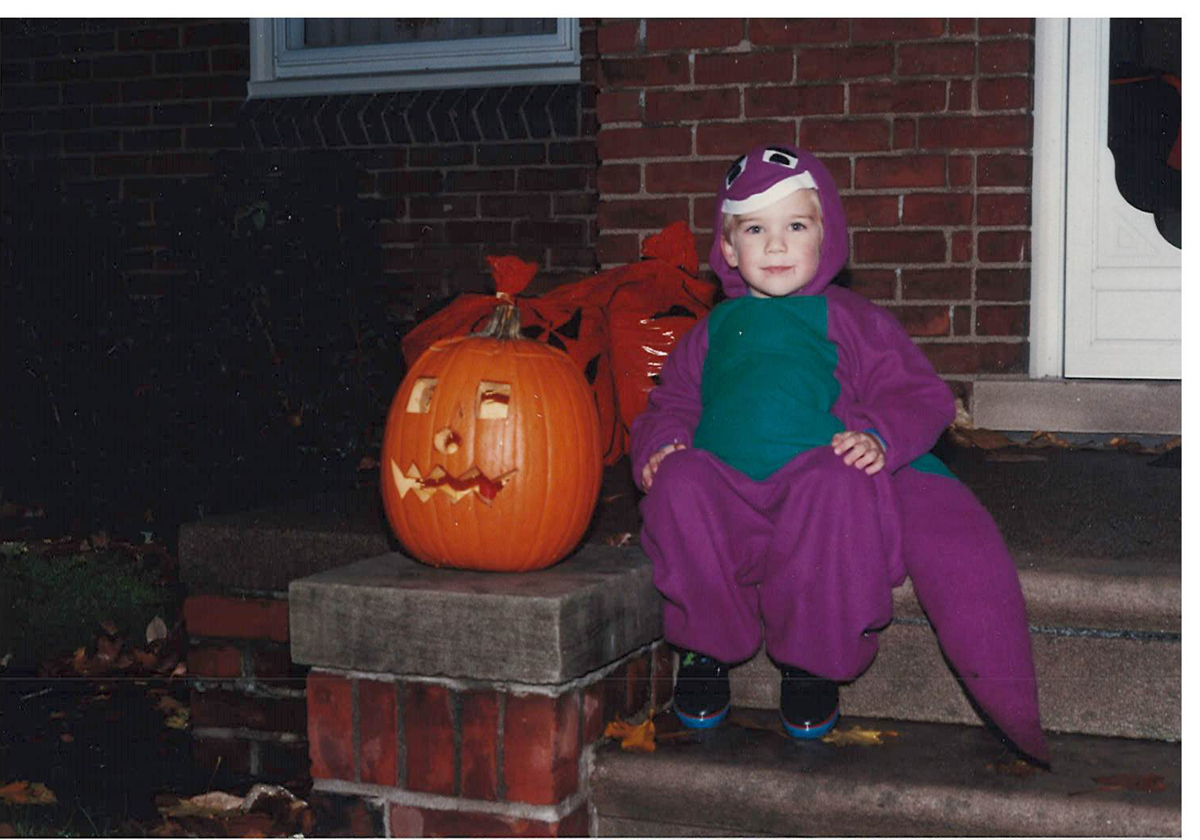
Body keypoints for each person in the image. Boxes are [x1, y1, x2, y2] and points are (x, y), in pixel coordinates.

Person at [631, 144, 1048, 763]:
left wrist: (878, 433)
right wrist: (661, 447)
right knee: (681, 482)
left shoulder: (851, 318)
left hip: (814, 495)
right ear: (727, 249)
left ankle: (810, 664)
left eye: (795, 226)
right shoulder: (709, 332)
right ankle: (707, 648)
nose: (775, 246)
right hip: (727, 500)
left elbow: (919, 393)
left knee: (841, 479)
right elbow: (671, 405)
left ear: (826, 236)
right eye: (755, 229)